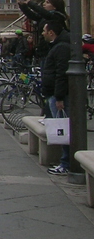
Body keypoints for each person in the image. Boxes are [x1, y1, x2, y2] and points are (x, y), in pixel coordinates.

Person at [43, 20, 71, 175]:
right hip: (55, 93)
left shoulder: (60, 48)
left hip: (58, 95)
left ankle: (66, 163)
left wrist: (59, 97)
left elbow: (61, 74)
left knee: (64, 129)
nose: (42, 33)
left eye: (44, 31)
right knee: (63, 129)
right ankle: (65, 161)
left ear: (51, 32)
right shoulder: (59, 46)